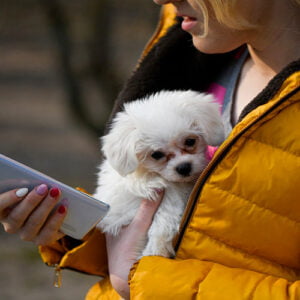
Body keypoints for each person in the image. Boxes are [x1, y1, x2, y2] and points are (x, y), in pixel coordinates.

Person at [1, 0, 300, 299]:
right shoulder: (186, 58)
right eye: (160, 155)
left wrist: (142, 282)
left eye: (189, 144)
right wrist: (69, 228)